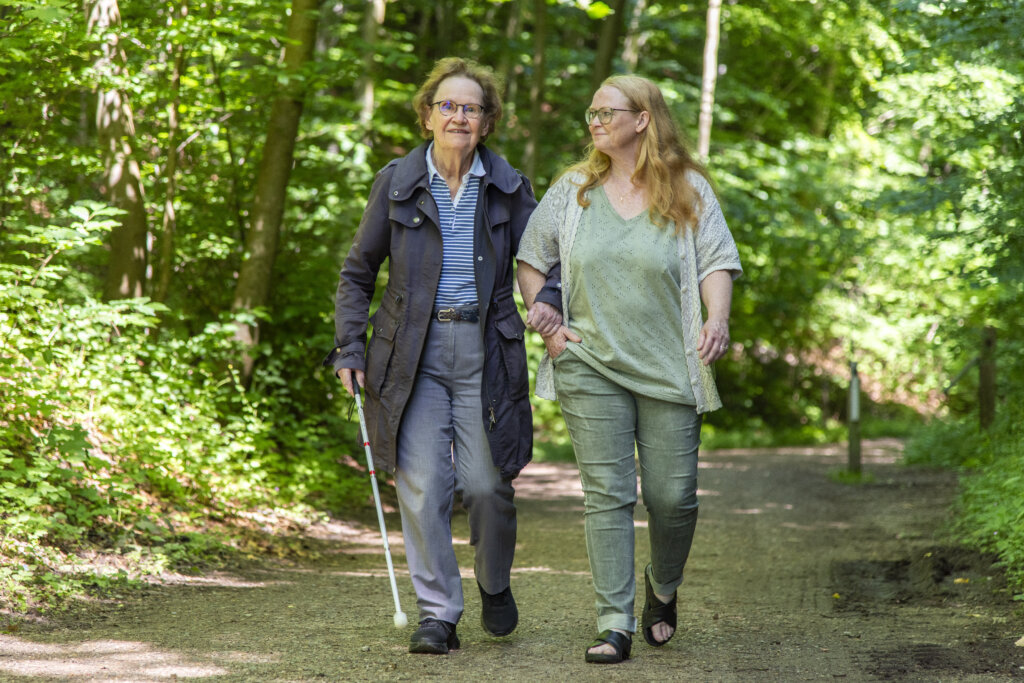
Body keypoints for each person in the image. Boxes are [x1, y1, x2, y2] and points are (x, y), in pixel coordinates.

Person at [324, 57, 557, 655]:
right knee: (423, 484)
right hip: (410, 352)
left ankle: (495, 582)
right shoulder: (396, 183)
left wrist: (550, 310)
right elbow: (357, 272)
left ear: (487, 122)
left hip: (486, 350)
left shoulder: (509, 186)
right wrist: (349, 344)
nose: (458, 116)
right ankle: (438, 613)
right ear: (427, 116)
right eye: (447, 106)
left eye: (471, 107)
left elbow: (541, 267)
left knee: (486, 484)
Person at [516, 75, 742, 664]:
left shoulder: (687, 187)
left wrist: (716, 320)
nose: (594, 120)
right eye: (590, 112)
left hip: (671, 363)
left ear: (642, 118)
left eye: (606, 111)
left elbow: (717, 260)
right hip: (588, 361)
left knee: (673, 499)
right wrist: (552, 330)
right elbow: (531, 257)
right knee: (607, 495)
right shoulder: (575, 190)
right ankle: (613, 621)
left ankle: (662, 588)